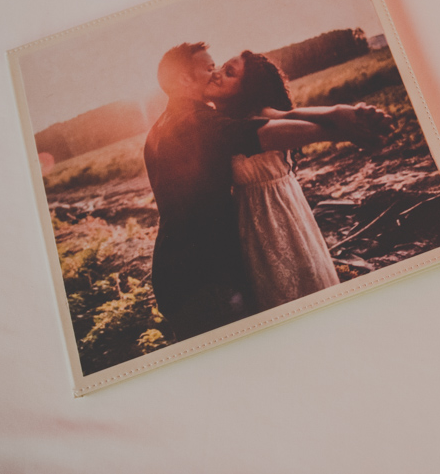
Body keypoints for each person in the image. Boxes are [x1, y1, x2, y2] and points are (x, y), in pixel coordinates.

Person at [144, 43, 380, 341]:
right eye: (209, 68)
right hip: (205, 278)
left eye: (222, 69)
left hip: (188, 271)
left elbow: (280, 115)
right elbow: (258, 133)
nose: (215, 73)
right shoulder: (193, 123)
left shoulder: (162, 126)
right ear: (184, 80)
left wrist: (338, 113)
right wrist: (341, 131)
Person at [202, 50, 392, 312]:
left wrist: (339, 116)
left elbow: (286, 118)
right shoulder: (224, 124)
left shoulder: (257, 116)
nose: (217, 74)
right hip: (252, 226)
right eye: (222, 67)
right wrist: (341, 123)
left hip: (278, 220)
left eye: (229, 72)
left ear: (247, 90)